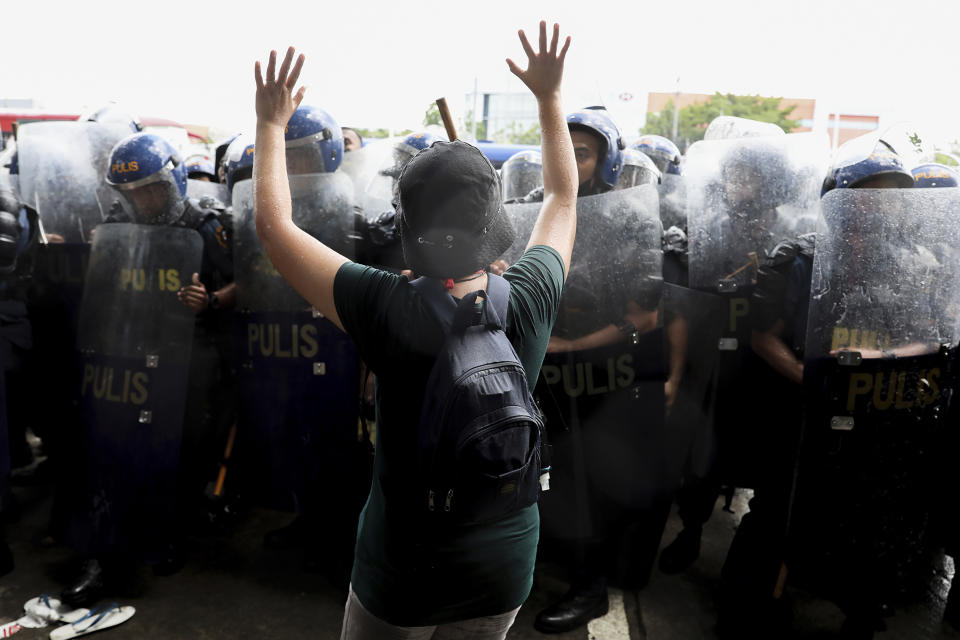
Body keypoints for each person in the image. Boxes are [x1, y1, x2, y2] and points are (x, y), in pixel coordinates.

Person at [252, 20, 576, 637]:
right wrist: (549, 97)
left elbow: (275, 228)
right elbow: (563, 196)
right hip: (504, 564)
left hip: (402, 565)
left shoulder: (382, 306)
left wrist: (271, 124)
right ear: (494, 228)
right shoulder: (531, 295)